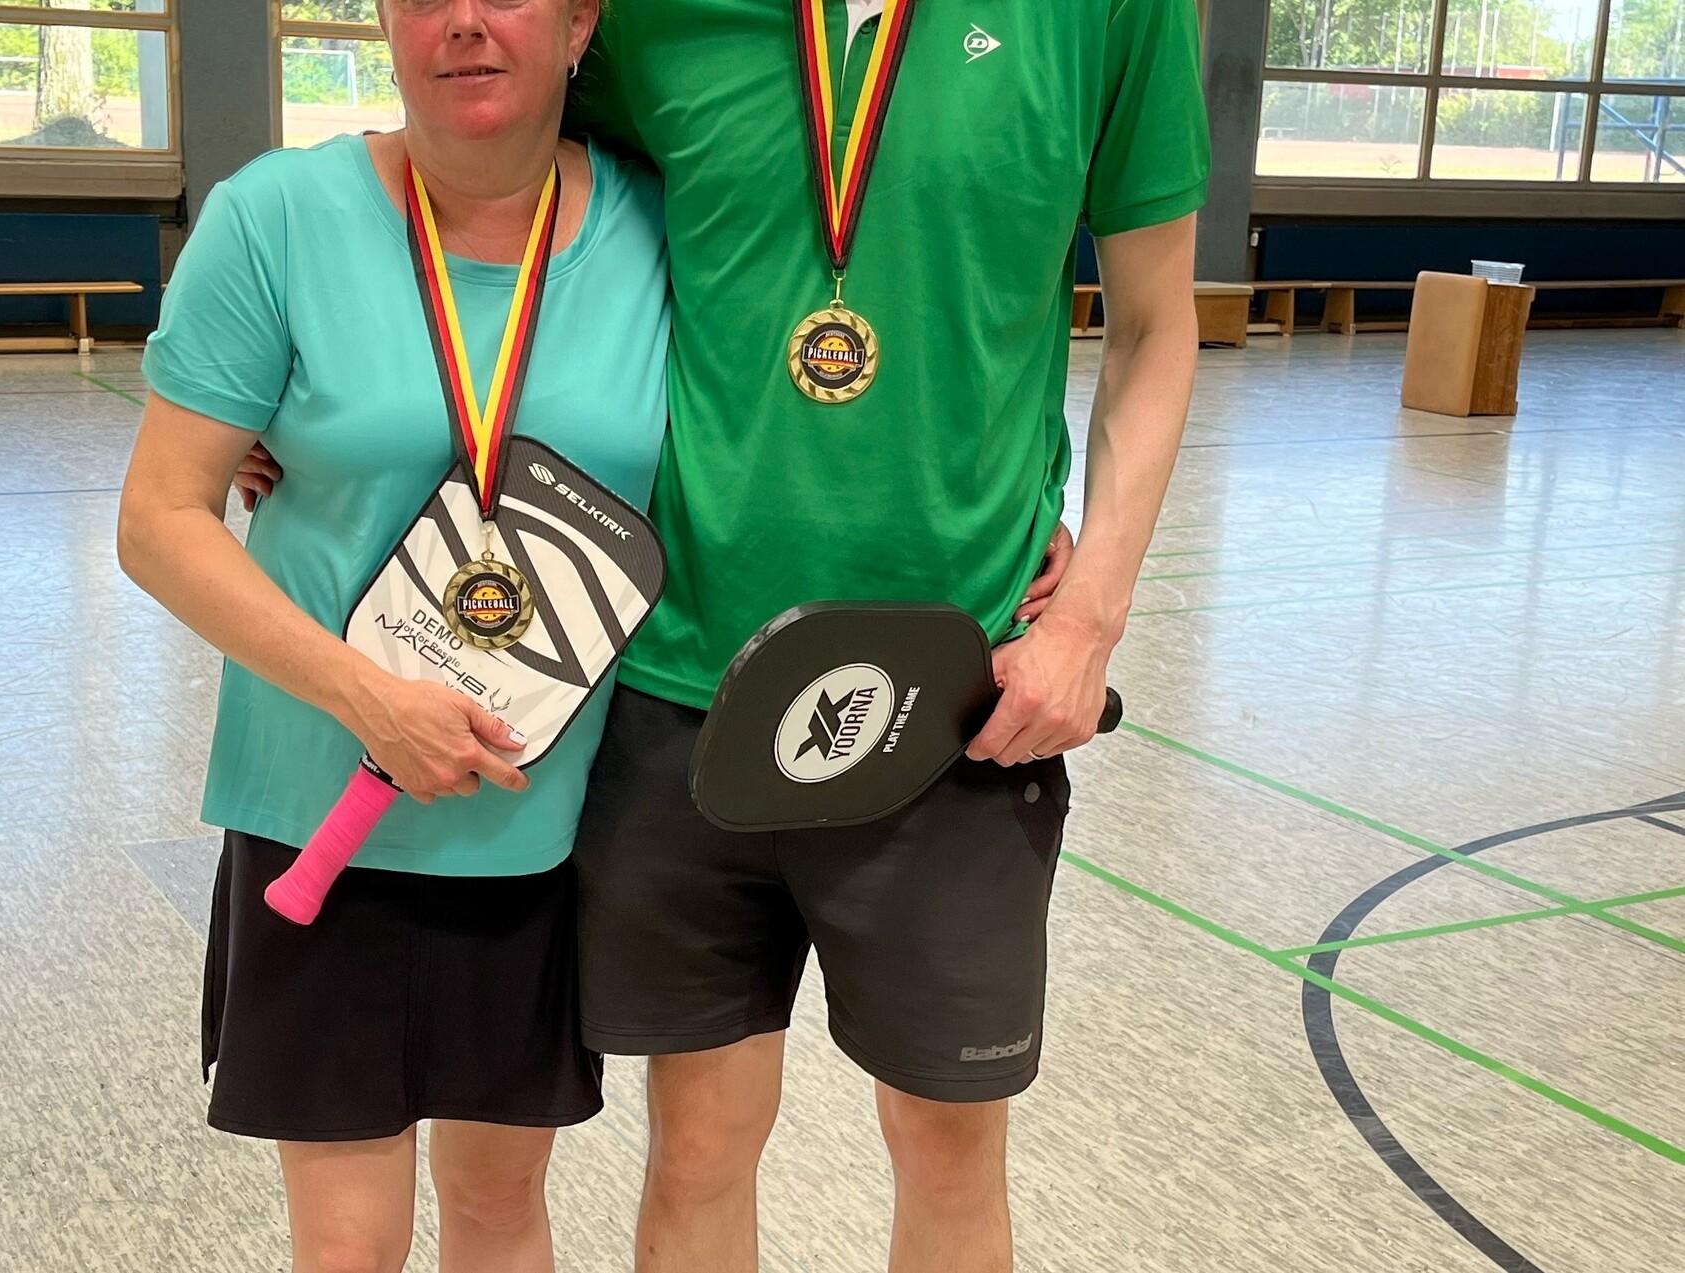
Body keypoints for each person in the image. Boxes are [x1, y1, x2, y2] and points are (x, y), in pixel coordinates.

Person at [239, 1, 1207, 1270]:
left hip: (956, 699)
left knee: (948, 1144)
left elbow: (1154, 320)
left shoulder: (1107, 15)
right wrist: (305, 375)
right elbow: (490, 155)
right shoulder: (641, 13)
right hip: (679, 687)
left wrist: (1092, 612)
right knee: (698, 1143)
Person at [117, 1, 669, 1270]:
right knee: (348, 1244)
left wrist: (1036, 509)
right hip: (319, 810)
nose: (466, 21)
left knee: (496, 1213)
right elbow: (159, 518)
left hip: (530, 818)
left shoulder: (661, 226)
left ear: (582, 21)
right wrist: (368, 697)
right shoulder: (278, 218)